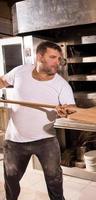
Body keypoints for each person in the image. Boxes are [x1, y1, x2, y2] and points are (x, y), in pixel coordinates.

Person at [0, 41, 76, 200]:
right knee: (11, 179)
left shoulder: (62, 85)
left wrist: (64, 111)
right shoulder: (20, 71)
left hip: (46, 140)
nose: (58, 62)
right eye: (53, 57)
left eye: (59, 58)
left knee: (54, 179)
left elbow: (70, 108)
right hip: (15, 140)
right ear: (39, 56)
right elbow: (3, 81)